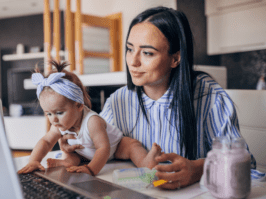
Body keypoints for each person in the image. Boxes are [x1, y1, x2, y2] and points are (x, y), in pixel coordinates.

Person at [60, 6, 256, 189]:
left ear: (175, 58)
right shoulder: (119, 101)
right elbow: (101, 152)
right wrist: (77, 151)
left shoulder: (210, 97)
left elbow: (247, 165)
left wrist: (198, 170)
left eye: (147, 53)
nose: (133, 61)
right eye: (129, 49)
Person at [17, 60, 162, 176]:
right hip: (85, 154)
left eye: (59, 113)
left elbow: (103, 149)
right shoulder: (58, 124)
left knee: (132, 146)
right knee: (71, 153)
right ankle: (66, 163)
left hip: (115, 148)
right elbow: (46, 141)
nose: (53, 120)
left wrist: (91, 169)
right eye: (48, 114)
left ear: (79, 105)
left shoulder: (92, 122)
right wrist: (34, 160)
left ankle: (146, 161)